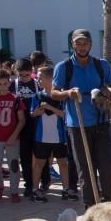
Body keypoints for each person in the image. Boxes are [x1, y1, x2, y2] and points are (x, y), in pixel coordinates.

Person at [51, 29, 111, 206]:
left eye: (85, 43)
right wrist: (68, 92)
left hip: (101, 122)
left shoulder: (101, 65)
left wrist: (108, 93)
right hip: (78, 125)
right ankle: (91, 207)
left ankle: (110, 205)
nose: (82, 47)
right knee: (85, 169)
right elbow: (54, 92)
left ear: (90, 44)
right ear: (72, 44)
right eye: (78, 43)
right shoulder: (63, 67)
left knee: (107, 167)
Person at [28, 66, 73, 202]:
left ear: (50, 79)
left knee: (63, 163)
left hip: (59, 137)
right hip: (42, 137)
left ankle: (66, 190)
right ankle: (35, 190)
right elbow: (32, 113)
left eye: (40, 78)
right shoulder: (37, 96)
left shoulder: (61, 96)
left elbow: (65, 115)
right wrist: (36, 112)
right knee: (38, 164)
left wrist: (50, 107)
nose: (38, 80)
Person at [0, 69, 26, 202]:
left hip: (12, 138)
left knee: (13, 164)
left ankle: (14, 190)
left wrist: (14, 135)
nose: (2, 87)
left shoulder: (15, 99)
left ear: (9, 83)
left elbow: (22, 120)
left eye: (5, 83)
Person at [13, 58, 42, 197]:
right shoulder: (13, 85)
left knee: (40, 155)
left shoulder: (37, 84)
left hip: (37, 124)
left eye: (27, 75)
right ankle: (28, 184)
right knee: (25, 157)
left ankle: (44, 180)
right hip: (21, 125)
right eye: (21, 75)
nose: (24, 78)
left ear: (32, 72)